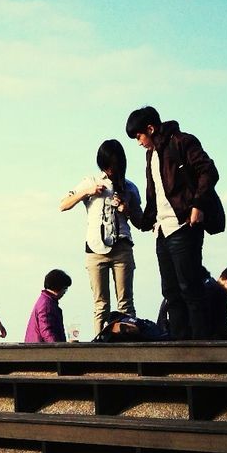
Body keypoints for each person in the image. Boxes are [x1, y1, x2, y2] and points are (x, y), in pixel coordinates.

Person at [124, 106, 222, 340]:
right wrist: (134, 215)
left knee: (191, 289)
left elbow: (208, 171)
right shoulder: (151, 154)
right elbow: (154, 196)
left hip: (183, 226)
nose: (138, 142)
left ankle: (201, 349)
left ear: (150, 128)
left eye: (138, 136)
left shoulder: (182, 141)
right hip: (162, 230)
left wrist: (197, 206)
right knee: (171, 292)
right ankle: (179, 347)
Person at [61, 139, 142, 339]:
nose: (110, 170)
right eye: (106, 166)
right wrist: (87, 193)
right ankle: (100, 347)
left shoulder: (130, 187)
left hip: (122, 247)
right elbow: (63, 204)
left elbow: (142, 221)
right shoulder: (90, 182)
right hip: (95, 250)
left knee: (126, 303)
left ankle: (128, 345)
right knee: (100, 304)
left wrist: (127, 210)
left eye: (113, 166)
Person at [25, 269, 71, 343]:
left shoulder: (46, 301)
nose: (64, 292)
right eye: (65, 289)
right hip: (42, 352)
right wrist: (59, 349)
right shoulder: (46, 304)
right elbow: (47, 331)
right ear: (58, 287)